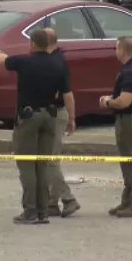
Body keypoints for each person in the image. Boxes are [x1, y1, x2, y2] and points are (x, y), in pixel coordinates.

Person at [0, 28, 75, 225]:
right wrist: (71, 118)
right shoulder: (58, 65)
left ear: (32, 44)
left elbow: (4, 60)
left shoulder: (24, 61)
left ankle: (30, 211)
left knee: (27, 165)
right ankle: (43, 211)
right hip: (50, 116)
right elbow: (66, 92)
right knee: (43, 164)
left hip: (29, 118)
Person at [99, 36, 132, 218]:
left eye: (116, 48)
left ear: (122, 50)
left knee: (131, 162)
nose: (115, 52)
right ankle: (127, 201)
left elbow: (124, 101)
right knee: (127, 162)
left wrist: (108, 102)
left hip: (130, 119)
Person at [43, 27, 80, 218]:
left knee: (50, 160)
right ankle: (51, 203)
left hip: (56, 114)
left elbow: (68, 94)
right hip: (55, 113)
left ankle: (68, 198)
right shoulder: (56, 59)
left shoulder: (56, 62)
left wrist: (71, 118)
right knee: (50, 158)